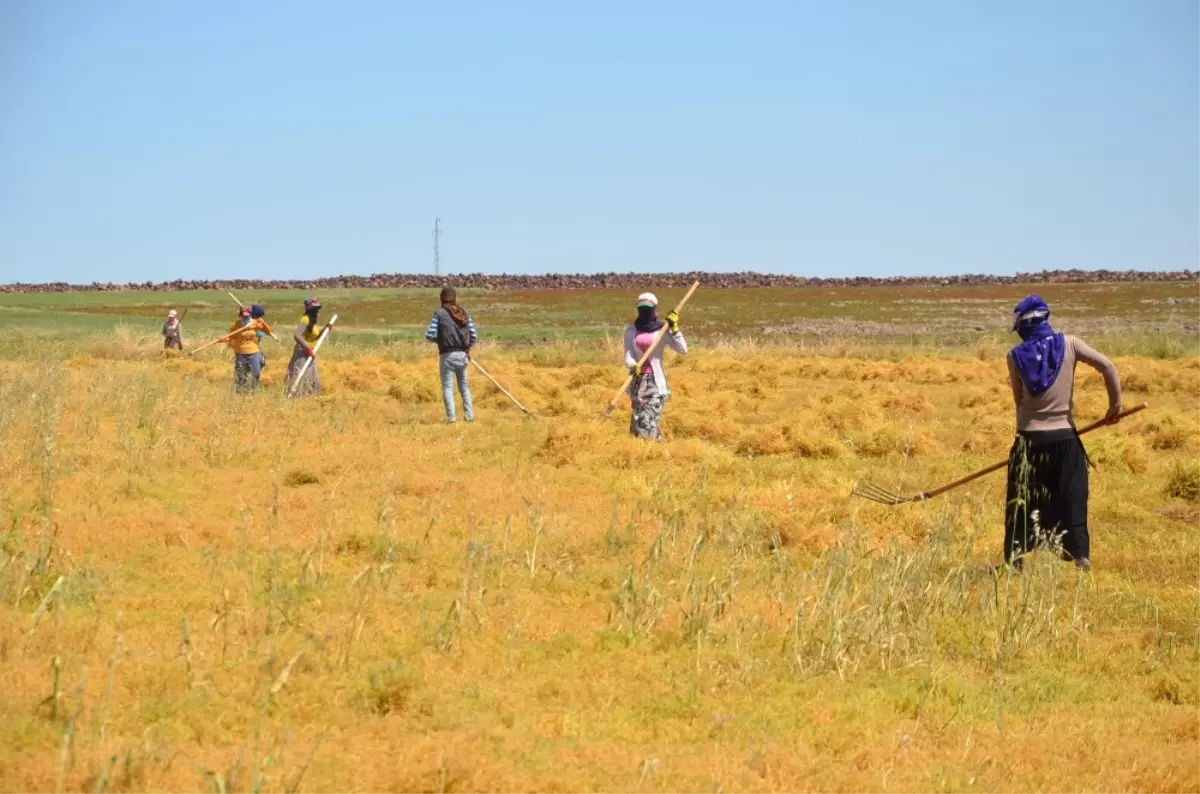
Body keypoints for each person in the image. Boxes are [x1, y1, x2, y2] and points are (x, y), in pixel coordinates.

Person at [1004, 294, 1121, 571]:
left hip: (1029, 440)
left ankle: (1015, 561)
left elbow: (1017, 399)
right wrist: (1115, 405)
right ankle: (1080, 557)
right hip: (1065, 440)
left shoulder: (1014, 357)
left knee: (1021, 501)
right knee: (1071, 498)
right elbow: (1107, 366)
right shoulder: (1071, 343)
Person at [623, 293, 686, 441]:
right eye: (641, 308)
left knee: (648, 419)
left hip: (655, 383)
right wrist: (632, 365)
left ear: (654, 309)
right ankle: (647, 452)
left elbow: (683, 349)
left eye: (648, 308)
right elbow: (628, 355)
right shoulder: (631, 331)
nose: (644, 311)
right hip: (638, 382)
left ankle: (653, 451)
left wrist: (675, 329)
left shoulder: (662, 330)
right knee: (637, 421)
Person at [425, 287, 477, 423]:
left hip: (447, 356)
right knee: (464, 388)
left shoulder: (439, 313)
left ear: (441, 299)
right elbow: (473, 335)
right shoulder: (464, 313)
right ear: (455, 298)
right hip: (463, 356)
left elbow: (429, 334)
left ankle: (452, 419)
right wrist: (467, 349)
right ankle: (470, 417)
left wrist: (439, 340)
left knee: (448, 388)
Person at [288, 297, 327, 397]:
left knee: (314, 380)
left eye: (318, 308)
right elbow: (297, 335)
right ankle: (298, 401)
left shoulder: (313, 322)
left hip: (310, 353)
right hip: (302, 353)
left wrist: (325, 329)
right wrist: (307, 348)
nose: (317, 311)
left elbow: (315, 338)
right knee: (303, 379)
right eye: (315, 309)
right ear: (309, 309)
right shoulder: (305, 319)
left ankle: (312, 401)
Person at [227, 307, 272, 393]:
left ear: (250, 316)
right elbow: (231, 338)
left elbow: (268, 331)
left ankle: (253, 390)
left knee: (256, 372)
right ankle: (240, 392)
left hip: (253, 352)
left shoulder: (255, 323)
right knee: (241, 375)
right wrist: (234, 347)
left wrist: (263, 323)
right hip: (240, 353)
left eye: (247, 316)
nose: (245, 318)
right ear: (240, 316)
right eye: (243, 316)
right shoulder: (236, 325)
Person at [250, 304, 269, 369]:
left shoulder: (257, 323)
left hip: (256, 347)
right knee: (260, 362)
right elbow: (261, 334)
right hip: (252, 348)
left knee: (261, 362)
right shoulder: (253, 324)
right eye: (260, 316)